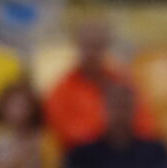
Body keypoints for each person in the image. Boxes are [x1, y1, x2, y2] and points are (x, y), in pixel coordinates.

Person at [41, 20, 153, 152]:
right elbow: (65, 133)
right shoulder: (62, 90)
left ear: (106, 47)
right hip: (85, 157)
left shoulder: (123, 82)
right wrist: (108, 129)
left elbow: (145, 125)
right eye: (87, 45)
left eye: (97, 46)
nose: (91, 52)